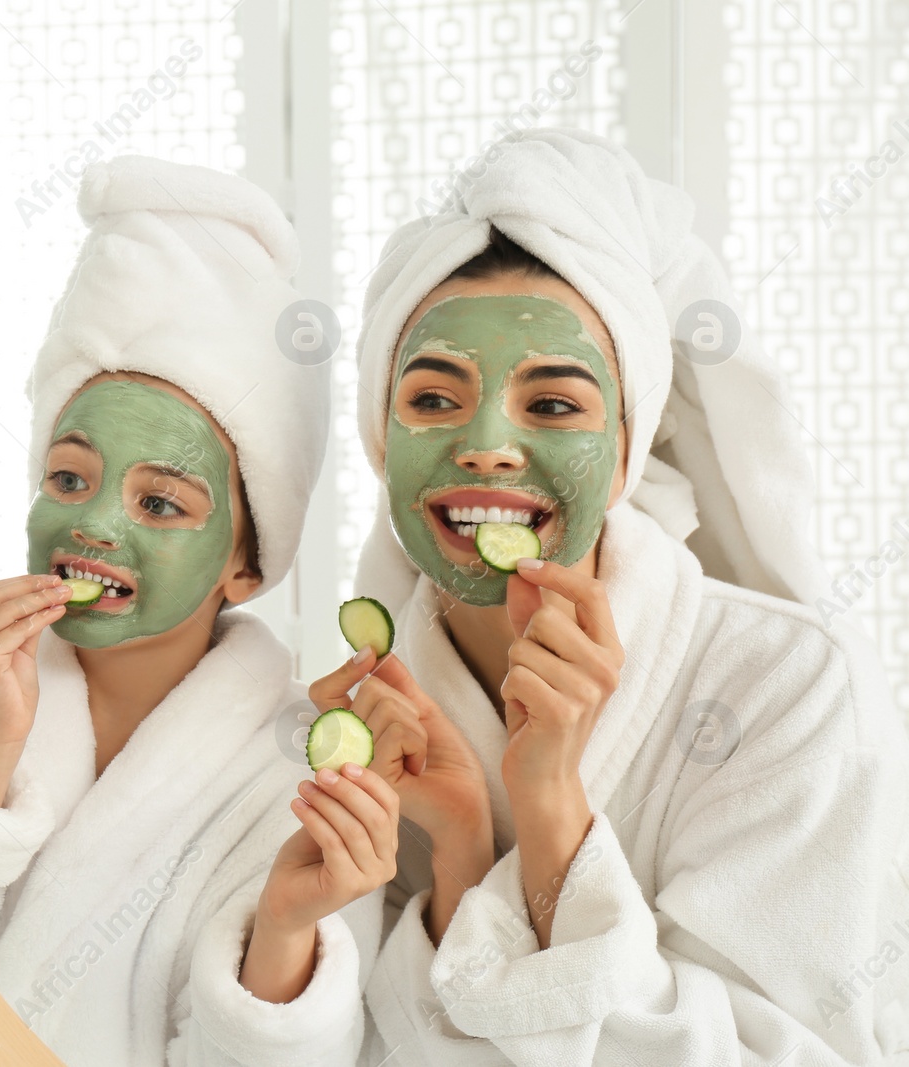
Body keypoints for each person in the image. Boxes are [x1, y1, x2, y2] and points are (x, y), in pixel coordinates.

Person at [326, 127, 909, 1063]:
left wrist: (552, 806)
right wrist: (463, 854)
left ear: (628, 450)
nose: (488, 446)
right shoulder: (372, 722)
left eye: (553, 404)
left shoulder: (791, 683)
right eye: (433, 399)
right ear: (378, 438)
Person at [0, 155, 393, 1066]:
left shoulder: (297, 772)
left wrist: (283, 929)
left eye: (160, 502)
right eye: (68, 477)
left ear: (245, 564)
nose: (94, 524)